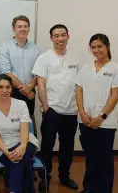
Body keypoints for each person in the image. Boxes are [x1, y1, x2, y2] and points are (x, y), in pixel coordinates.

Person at [74, 34, 118, 193]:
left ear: (107, 47)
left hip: (106, 123)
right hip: (85, 120)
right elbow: (79, 90)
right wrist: (82, 113)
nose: (96, 50)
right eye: (93, 47)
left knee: (104, 160)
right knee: (91, 159)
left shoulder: (116, 68)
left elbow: (116, 95)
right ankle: (88, 188)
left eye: (99, 46)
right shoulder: (86, 67)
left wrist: (101, 117)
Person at [32, 24, 80, 192]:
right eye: (56, 36)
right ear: (51, 38)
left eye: (63, 35)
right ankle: (45, 177)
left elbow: (80, 86)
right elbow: (40, 84)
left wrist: (80, 108)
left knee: (67, 146)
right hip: (52, 110)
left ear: (68, 36)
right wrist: (46, 108)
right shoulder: (44, 58)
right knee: (47, 146)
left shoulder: (76, 58)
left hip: (72, 111)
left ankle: (64, 176)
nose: (60, 39)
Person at [0, 74, 39, 193]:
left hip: (25, 141)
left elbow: (25, 130)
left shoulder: (21, 104)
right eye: (0, 87)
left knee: (20, 161)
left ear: (12, 88)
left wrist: (23, 146)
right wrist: (8, 153)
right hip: (3, 146)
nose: (4, 90)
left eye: (8, 87)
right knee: (22, 163)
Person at [0, 15, 40, 136]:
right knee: (13, 125)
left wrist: (30, 88)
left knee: (28, 124)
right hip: (12, 92)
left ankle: (29, 152)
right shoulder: (5, 47)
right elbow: (7, 72)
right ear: (14, 29)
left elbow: (38, 72)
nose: (23, 29)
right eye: (19, 26)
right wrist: (25, 89)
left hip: (31, 91)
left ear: (29, 29)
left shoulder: (35, 48)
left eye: (25, 26)